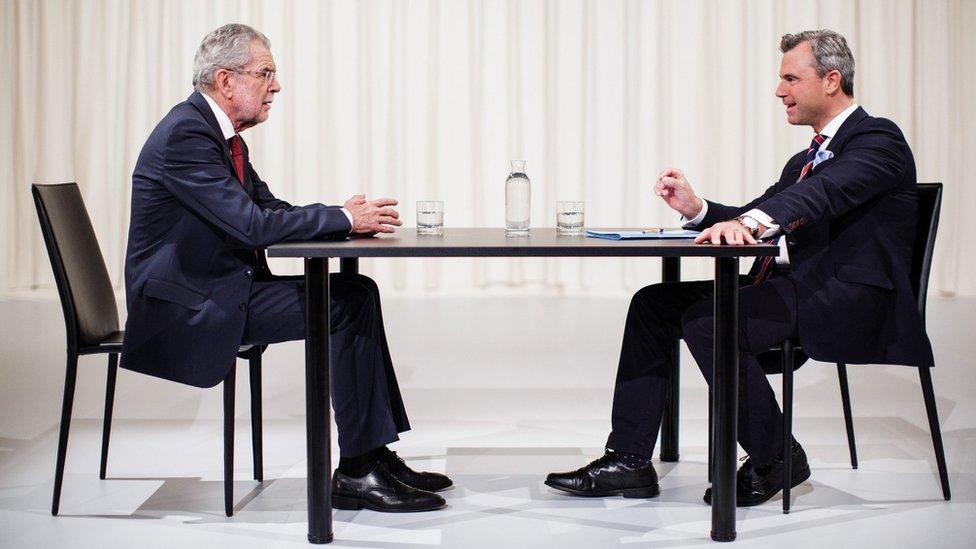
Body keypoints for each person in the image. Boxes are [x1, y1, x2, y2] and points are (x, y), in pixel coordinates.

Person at [546, 29, 934, 506]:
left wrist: (751, 220)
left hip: (848, 299)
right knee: (655, 303)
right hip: (799, 287)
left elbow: (819, 196)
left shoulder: (879, 139)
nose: (779, 91)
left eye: (791, 78)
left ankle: (776, 456)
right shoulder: (805, 158)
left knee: (709, 321)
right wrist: (697, 209)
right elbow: (760, 210)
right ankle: (628, 462)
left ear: (832, 80)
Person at [121, 24, 451, 513]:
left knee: (356, 292)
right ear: (226, 80)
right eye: (266, 73)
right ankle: (360, 469)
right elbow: (252, 227)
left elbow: (268, 208)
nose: (276, 86)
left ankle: (372, 455)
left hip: (217, 288)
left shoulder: (220, 135)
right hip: (189, 308)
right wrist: (342, 218)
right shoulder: (187, 135)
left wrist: (342, 220)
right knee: (348, 303)